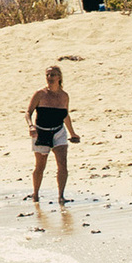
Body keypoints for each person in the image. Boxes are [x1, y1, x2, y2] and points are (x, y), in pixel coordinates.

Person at [27, 64, 80, 205]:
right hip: (41, 132)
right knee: (40, 166)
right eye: (48, 75)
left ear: (59, 77)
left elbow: (65, 115)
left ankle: (61, 196)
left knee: (62, 164)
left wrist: (72, 133)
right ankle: (36, 194)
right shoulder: (40, 94)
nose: (50, 77)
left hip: (58, 132)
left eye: (53, 75)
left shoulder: (64, 96)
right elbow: (28, 113)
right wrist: (31, 126)